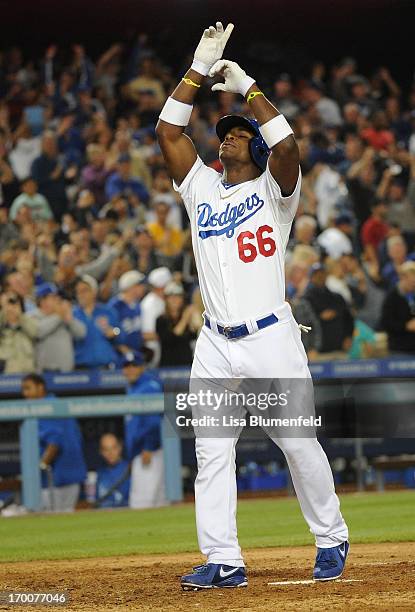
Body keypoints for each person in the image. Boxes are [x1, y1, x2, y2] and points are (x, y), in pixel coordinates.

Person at [156, 21, 349, 590]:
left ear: (256, 146)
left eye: (239, 132)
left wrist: (250, 90)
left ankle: (331, 534)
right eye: (226, 132)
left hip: (270, 337)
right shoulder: (199, 186)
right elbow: (168, 132)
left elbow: (288, 145)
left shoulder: (275, 191)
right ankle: (225, 559)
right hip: (215, 339)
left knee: (295, 441)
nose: (229, 135)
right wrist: (197, 69)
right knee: (212, 450)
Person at [21, 373, 87, 512]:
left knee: (50, 520)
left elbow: (54, 442)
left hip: (57, 479)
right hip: (71, 475)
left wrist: (39, 468)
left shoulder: (45, 407)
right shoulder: (58, 403)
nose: (25, 393)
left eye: (28, 388)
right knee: (66, 518)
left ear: (40, 388)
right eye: (23, 389)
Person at [122, 351, 166, 509]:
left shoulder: (149, 386)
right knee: (157, 502)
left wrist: (148, 447)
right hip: (142, 452)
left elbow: (154, 422)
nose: (130, 370)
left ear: (141, 367)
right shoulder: (132, 388)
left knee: (141, 503)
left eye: (134, 365)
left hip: (149, 452)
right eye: (126, 366)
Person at [30, 282, 86, 372]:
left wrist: (70, 320)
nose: (58, 300)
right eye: (53, 297)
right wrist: (59, 316)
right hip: (44, 372)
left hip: (67, 372)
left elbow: (82, 333)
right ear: (42, 301)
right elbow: (38, 331)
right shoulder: (33, 316)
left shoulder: (64, 315)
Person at [73, 275, 122, 369]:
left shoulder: (108, 311)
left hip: (106, 366)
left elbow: (120, 332)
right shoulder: (72, 314)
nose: (81, 295)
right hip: (82, 367)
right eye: (78, 292)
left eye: (84, 290)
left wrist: (115, 331)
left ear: (94, 291)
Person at [156, 281, 197, 366]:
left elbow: (194, 335)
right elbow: (171, 337)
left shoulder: (187, 316)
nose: (174, 300)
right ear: (166, 299)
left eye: (178, 296)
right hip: (168, 365)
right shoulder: (161, 320)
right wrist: (185, 318)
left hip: (186, 364)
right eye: (171, 297)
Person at [380, 261, 415, 354]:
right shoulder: (392, 298)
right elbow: (386, 323)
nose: (413, 285)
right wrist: (406, 326)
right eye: (411, 281)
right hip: (398, 350)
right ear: (402, 278)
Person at [108, 270, 146, 352]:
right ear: (131, 287)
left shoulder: (138, 305)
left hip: (137, 351)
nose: (143, 288)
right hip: (119, 353)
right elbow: (111, 331)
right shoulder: (115, 305)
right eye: (140, 285)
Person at [141, 266, 172, 366]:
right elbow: (147, 334)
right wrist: (171, 336)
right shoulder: (149, 304)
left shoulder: (165, 300)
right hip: (153, 351)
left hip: (165, 349)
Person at [0, 291, 37, 373]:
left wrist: (20, 315)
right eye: (9, 303)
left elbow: (35, 333)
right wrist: (4, 308)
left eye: (15, 304)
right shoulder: (2, 322)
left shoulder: (28, 320)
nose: (12, 308)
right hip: (7, 373)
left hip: (27, 371)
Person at [96, 433, 130, 508]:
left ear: (120, 448)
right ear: (101, 452)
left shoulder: (130, 470)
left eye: (114, 448)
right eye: (106, 449)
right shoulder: (100, 473)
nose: (110, 453)